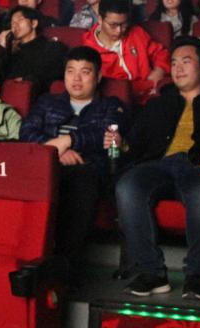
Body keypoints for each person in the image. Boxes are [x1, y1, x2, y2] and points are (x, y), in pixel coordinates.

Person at [111, 36, 200, 300]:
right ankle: (152, 273)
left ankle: (197, 275)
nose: (178, 68)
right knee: (128, 185)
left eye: (186, 62)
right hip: (159, 165)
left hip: (198, 165)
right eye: (174, 63)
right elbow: (135, 143)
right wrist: (121, 143)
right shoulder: (158, 103)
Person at [19, 47, 127, 279]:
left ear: (98, 76)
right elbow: (26, 132)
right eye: (71, 71)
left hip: (87, 169)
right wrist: (55, 152)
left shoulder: (110, 105)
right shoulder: (47, 102)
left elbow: (106, 134)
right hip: (46, 164)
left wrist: (68, 140)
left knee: (80, 179)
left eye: (85, 72)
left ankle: (66, 268)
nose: (76, 78)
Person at [82, 0, 169, 99]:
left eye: (123, 24)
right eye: (113, 25)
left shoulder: (136, 33)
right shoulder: (89, 51)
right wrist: (146, 85)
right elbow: (110, 89)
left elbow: (160, 52)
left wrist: (159, 70)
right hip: (119, 101)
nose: (119, 30)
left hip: (151, 95)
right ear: (100, 19)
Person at [0, 6, 67, 91]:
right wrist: (2, 46)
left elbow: (54, 74)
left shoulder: (52, 47)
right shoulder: (12, 51)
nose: (15, 25)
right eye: (12, 23)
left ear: (34, 23)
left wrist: (26, 79)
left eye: (20, 20)